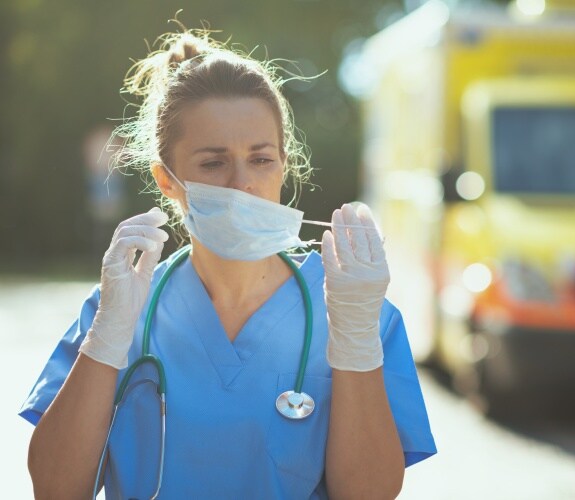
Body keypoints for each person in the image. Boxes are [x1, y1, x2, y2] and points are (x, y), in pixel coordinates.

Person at [19, 28, 436, 499]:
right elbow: (55, 489)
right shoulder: (120, 308)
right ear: (167, 179)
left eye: (261, 160)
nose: (242, 185)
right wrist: (106, 340)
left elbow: (370, 495)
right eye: (214, 163)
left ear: (284, 164)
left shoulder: (354, 309)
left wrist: (357, 342)